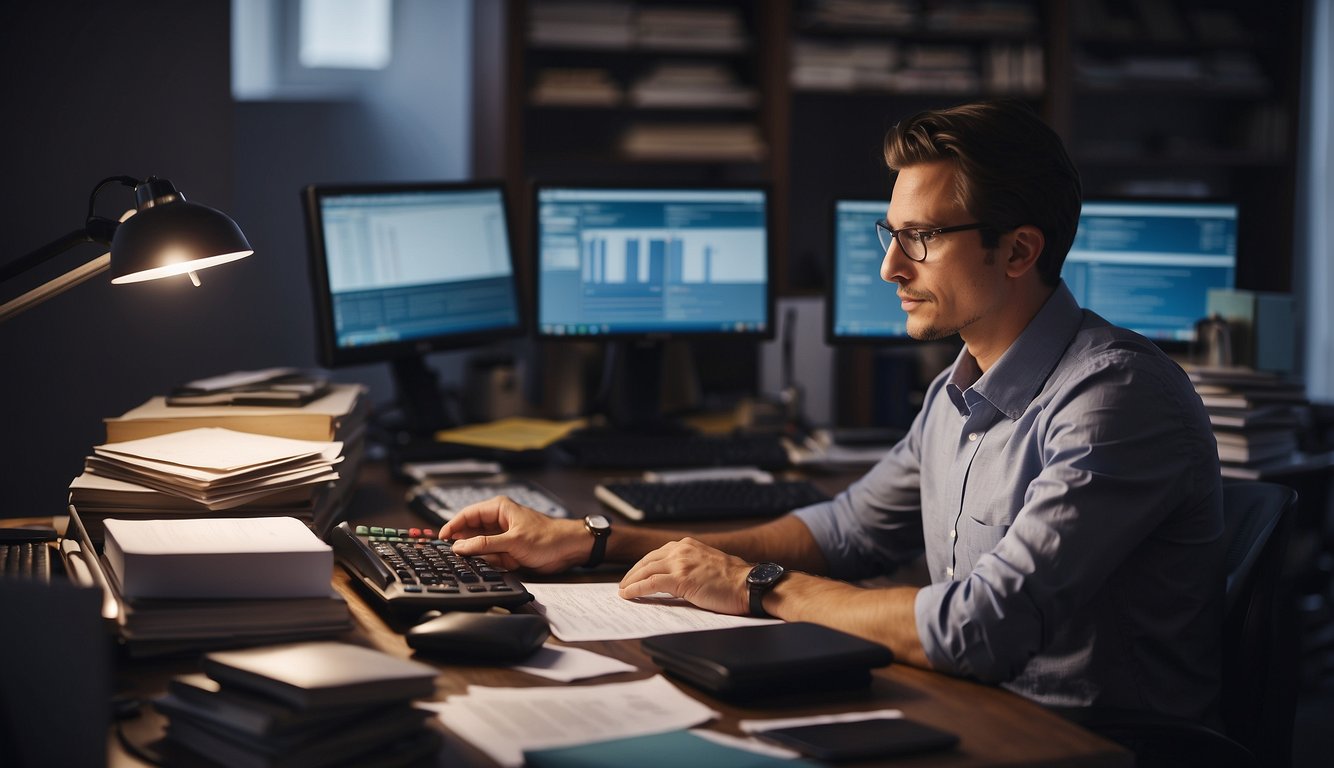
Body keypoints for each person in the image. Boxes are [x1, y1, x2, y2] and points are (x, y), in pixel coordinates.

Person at [440, 100, 1224, 724]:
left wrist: (755, 583)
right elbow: (844, 532)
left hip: (1089, 743)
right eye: (892, 233)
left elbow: (979, 629)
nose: (889, 265)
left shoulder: (1115, 399)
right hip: (982, 708)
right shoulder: (957, 390)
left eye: (919, 238)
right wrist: (590, 541)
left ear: (1018, 251)